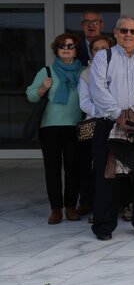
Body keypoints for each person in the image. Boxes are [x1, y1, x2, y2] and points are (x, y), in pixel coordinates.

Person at [88, 16, 134, 240]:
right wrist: (118, 115)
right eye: (124, 31)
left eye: (133, 31)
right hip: (111, 123)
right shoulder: (104, 57)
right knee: (107, 176)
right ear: (115, 33)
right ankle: (103, 226)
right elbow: (98, 90)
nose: (128, 35)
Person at [26, 32, 84, 224]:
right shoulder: (47, 72)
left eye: (70, 46)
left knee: (73, 169)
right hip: (50, 128)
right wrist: (42, 88)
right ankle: (56, 209)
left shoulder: (83, 72)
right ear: (56, 50)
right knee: (52, 169)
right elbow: (31, 95)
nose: (66, 50)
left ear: (76, 50)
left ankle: (70, 207)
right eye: (62, 46)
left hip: (75, 127)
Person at [76, 35, 113, 217]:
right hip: (92, 123)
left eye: (104, 48)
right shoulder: (85, 73)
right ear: (91, 52)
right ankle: (92, 206)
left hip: (115, 123)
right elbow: (84, 102)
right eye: (96, 49)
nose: (100, 52)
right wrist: (103, 112)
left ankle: (121, 204)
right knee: (92, 167)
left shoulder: (117, 70)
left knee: (117, 166)